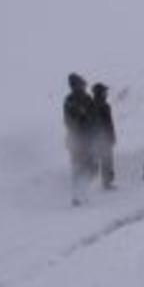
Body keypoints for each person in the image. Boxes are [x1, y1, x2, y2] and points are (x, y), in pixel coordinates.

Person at [63, 73, 96, 204]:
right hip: (76, 139)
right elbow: (68, 121)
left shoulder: (87, 98)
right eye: (80, 84)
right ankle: (77, 196)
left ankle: (83, 190)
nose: (83, 86)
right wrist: (80, 116)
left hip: (89, 138)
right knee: (77, 167)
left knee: (91, 167)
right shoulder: (69, 100)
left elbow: (94, 116)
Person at [90, 82, 117, 190]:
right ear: (99, 93)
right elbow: (105, 123)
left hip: (100, 137)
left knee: (103, 160)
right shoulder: (101, 106)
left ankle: (105, 182)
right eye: (104, 92)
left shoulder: (95, 105)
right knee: (105, 160)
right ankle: (105, 183)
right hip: (101, 137)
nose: (106, 93)